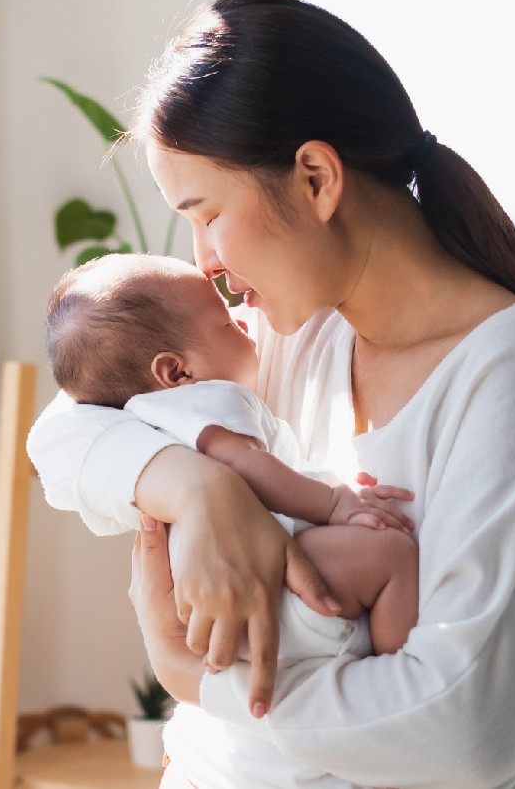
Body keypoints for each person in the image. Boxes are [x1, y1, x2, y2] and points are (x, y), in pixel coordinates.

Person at [26, 0, 515, 789]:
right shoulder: (291, 333)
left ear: (314, 177)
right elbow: (60, 438)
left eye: (207, 215)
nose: (203, 261)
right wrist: (197, 488)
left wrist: (194, 680)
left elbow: (469, 733)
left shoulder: (514, 371)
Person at [43, 252, 419, 657]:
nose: (243, 320)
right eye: (226, 322)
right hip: (266, 580)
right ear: (175, 372)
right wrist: (335, 501)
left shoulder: (142, 413)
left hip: (216, 605)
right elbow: (247, 466)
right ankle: (398, 663)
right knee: (393, 556)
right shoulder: (209, 399)